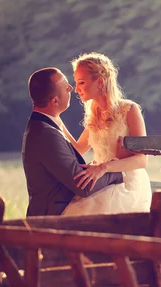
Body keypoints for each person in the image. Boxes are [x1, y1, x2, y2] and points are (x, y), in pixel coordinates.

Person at [22, 67, 124, 217]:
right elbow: (84, 186)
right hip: (53, 218)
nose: (71, 88)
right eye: (66, 86)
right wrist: (117, 171)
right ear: (54, 101)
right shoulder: (45, 134)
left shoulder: (45, 125)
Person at [59, 52, 152, 216]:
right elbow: (78, 149)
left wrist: (104, 167)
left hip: (126, 183)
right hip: (102, 180)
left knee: (91, 216)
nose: (77, 89)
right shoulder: (94, 115)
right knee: (70, 215)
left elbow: (142, 160)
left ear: (100, 82)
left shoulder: (129, 110)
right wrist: (57, 120)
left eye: (81, 82)